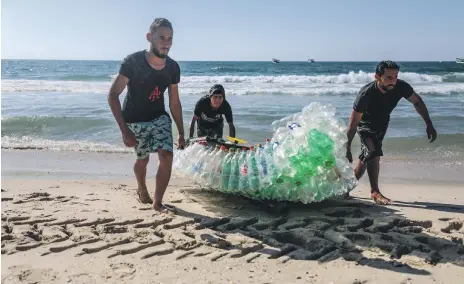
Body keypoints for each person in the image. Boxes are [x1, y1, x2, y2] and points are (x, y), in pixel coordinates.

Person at [107, 18, 185, 213]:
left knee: (166, 155)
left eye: (170, 38)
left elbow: (174, 102)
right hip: (134, 118)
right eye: (161, 38)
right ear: (150, 37)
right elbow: (113, 95)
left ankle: (158, 203)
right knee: (143, 160)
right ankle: (141, 188)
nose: (166, 43)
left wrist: (181, 133)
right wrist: (124, 131)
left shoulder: (173, 68)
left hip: (159, 117)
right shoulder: (132, 62)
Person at [345, 60, 437, 205]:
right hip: (364, 127)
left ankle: (344, 188)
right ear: (377, 77)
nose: (393, 81)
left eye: (395, 77)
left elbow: (417, 102)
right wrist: (348, 147)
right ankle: (374, 191)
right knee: (373, 152)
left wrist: (429, 123)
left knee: (364, 160)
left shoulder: (401, 87)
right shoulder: (366, 94)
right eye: (388, 77)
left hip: (382, 126)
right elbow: (353, 122)